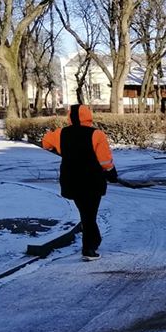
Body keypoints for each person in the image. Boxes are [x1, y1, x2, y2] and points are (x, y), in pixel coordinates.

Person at [42, 104, 117, 260]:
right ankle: (89, 248)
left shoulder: (61, 133)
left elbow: (46, 143)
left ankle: (93, 241)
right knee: (89, 214)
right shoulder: (96, 134)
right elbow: (104, 161)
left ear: (70, 117)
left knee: (86, 213)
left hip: (71, 180)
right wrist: (111, 173)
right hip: (92, 180)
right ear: (88, 116)